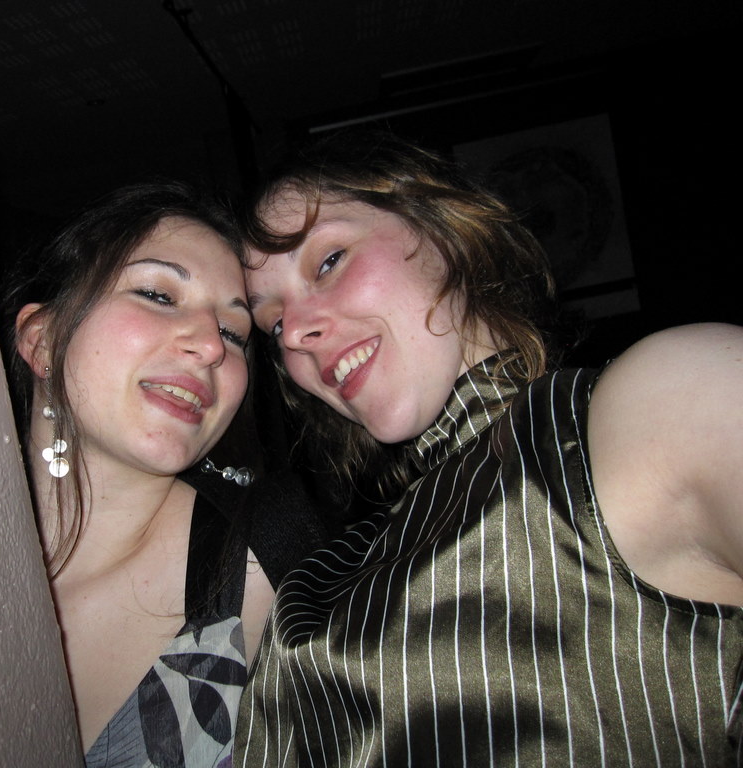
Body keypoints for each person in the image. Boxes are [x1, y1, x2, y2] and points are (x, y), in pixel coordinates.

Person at [232, 130, 743, 766]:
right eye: (274, 323)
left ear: (441, 228)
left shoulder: (654, 408)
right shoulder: (323, 571)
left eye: (329, 261)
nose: (295, 335)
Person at [3, 181, 328, 768]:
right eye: (157, 294)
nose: (210, 347)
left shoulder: (281, 566)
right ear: (42, 340)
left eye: (233, 333)